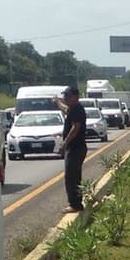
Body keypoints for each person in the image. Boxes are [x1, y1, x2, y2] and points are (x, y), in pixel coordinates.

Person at [55, 85, 86, 213]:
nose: (65, 98)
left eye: (67, 96)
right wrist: (57, 102)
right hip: (75, 148)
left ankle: (75, 204)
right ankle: (76, 202)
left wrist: (64, 144)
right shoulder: (73, 109)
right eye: (64, 96)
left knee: (71, 177)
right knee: (74, 176)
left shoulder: (77, 110)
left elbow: (75, 128)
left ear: (75, 97)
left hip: (75, 148)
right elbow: (65, 109)